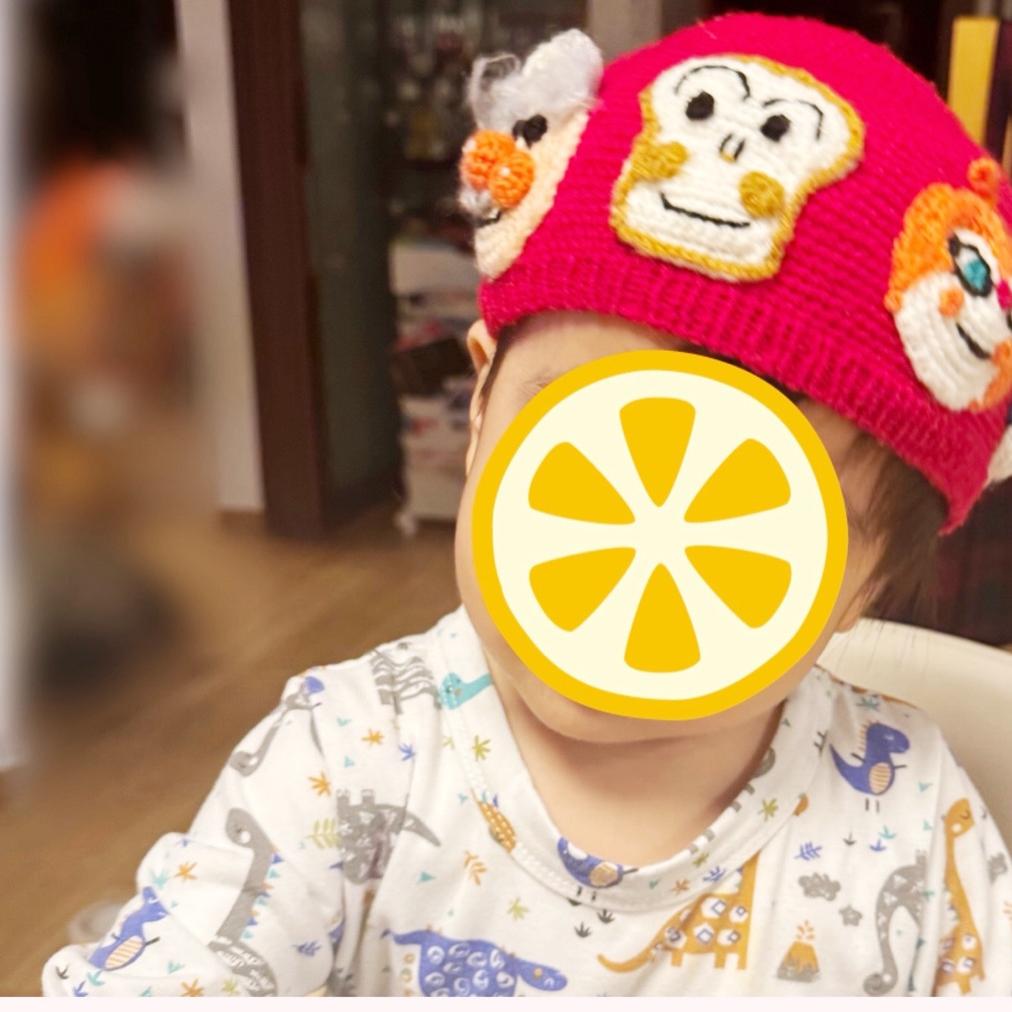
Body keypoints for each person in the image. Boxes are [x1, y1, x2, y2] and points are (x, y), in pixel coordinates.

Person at [43, 14, 1012, 996]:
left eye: (750, 519)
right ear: (480, 414)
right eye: (581, 452)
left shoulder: (913, 822)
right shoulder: (345, 760)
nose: (648, 536)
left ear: (866, 590)